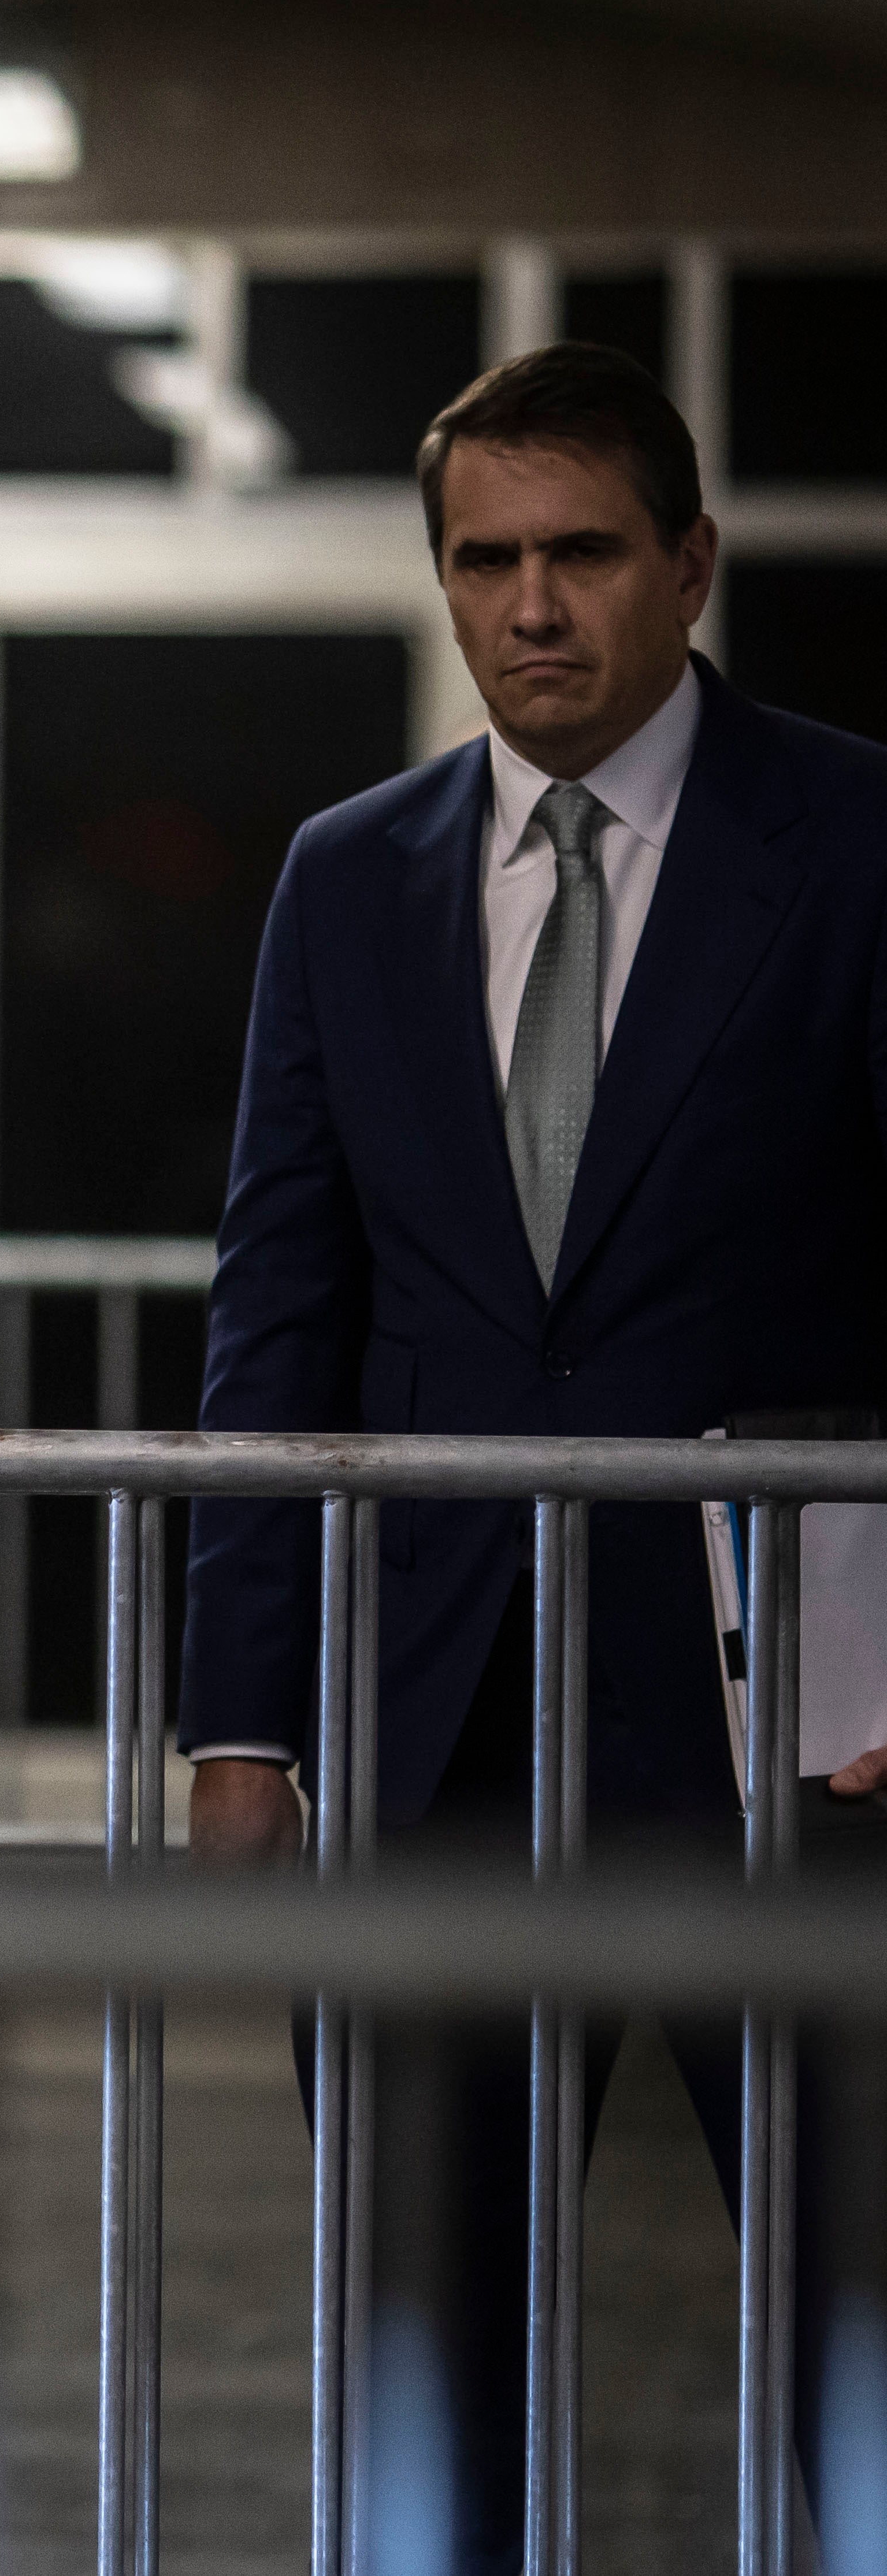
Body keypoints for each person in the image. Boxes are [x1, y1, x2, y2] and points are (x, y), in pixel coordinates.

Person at [182, 342, 887, 2565]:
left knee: (855, 2328)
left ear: (684, 564)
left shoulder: (856, 838)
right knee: (424, 2350)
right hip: (433, 1718)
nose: (529, 609)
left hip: (801, 1724)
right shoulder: (344, 876)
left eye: (579, 553)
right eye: (480, 562)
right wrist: (234, 1718)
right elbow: (275, 1304)